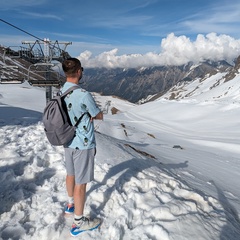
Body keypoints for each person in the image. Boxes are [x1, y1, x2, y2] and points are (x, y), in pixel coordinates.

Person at [61, 58, 103, 236]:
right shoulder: (83, 94)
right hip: (83, 143)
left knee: (70, 174)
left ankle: (70, 204)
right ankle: (78, 222)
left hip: (68, 140)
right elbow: (98, 114)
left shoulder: (61, 90)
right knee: (81, 183)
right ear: (78, 71)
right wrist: (92, 114)